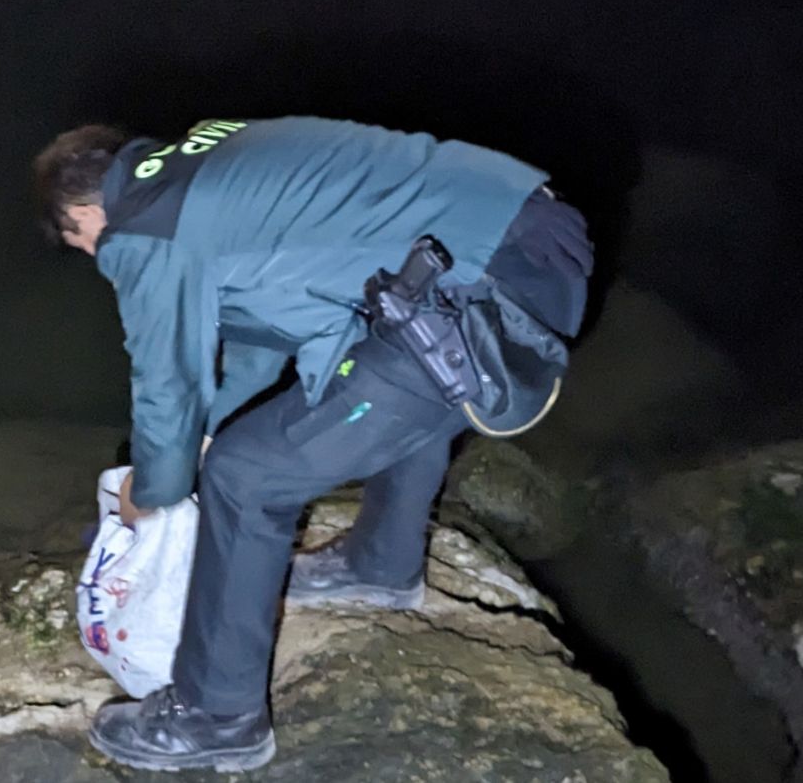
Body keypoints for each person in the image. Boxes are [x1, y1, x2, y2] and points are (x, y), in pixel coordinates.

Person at [33, 116, 593, 773]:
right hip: (530, 246)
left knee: (246, 478)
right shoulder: (207, 158)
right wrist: (211, 430)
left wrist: (154, 495)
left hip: (478, 287)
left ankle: (219, 718)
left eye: (82, 244)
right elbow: (260, 332)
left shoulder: (142, 227)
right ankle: (381, 567)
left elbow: (167, 381)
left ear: (84, 213)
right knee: (394, 381)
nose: (98, 260)